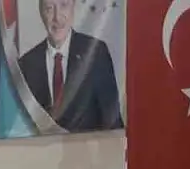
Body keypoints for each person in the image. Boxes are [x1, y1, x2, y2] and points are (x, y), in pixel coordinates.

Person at [16, 0, 123, 132]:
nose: (57, 17)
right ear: (41, 13)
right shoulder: (26, 64)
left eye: (63, 5)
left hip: (88, 145)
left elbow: (113, 122)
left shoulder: (95, 54)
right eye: (49, 8)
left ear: (73, 7)